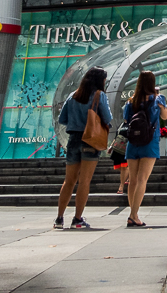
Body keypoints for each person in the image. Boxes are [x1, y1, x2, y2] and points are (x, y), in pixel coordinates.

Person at [55, 66, 112, 230]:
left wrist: (77, 122)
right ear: (100, 80)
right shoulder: (99, 95)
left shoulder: (73, 95)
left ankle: (59, 218)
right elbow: (107, 118)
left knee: (69, 181)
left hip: (73, 139)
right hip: (91, 141)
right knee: (84, 181)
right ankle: (77, 218)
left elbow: (62, 119)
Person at [124, 70, 167, 226]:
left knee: (133, 180)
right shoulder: (158, 98)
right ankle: (133, 215)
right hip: (150, 142)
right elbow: (164, 117)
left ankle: (133, 214)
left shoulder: (131, 101)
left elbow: (126, 119)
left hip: (133, 142)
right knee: (142, 179)